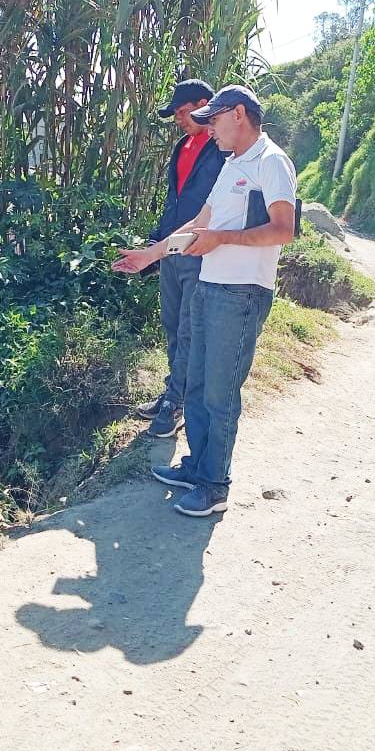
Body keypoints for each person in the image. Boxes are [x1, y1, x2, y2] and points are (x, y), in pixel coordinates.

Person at [114, 85, 297, 517]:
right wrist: (151, 255)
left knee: (219, 392)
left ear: (239, 114)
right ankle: (196, 467)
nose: (209, 128)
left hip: (241, 292)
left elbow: (283, 229)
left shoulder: (271, 161)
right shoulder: (233, 164)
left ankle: (214, 486)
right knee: (195, 385)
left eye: (213, 119)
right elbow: (200, 222)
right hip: (209, 285)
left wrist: (221, 240)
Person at [132, 79, 224, 439]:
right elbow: (175, 202)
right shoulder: (182, 146)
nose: (179, 120)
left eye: (183, 112)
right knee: (172, 325)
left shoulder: (222, 149)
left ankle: (176, 403)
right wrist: (155, 245)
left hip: (199, 253)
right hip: (171, 252)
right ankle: (174, 391)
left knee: (188, 329)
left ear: (203, 105)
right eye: (176, 116)